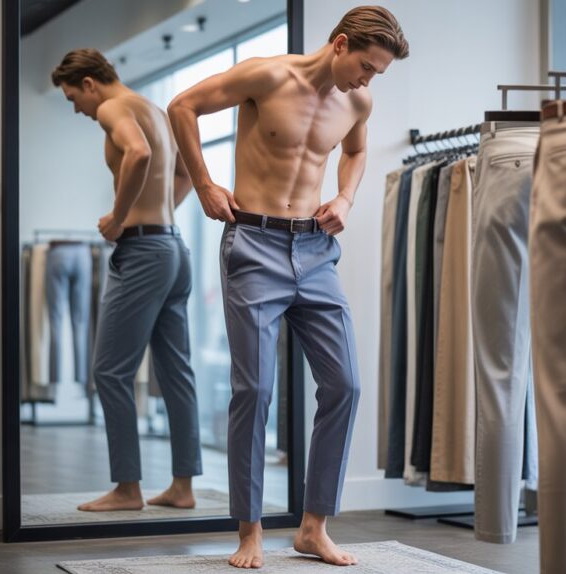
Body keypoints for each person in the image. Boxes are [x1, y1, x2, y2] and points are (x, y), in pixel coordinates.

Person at [168, 6, 409, 568]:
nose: (368, 80)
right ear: (341, 43)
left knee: (345, 384)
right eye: (367, 67)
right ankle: (249, 530)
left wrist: (345, 197)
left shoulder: (357, 101)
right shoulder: (267, 75)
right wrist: (203, 183)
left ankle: (312, 528)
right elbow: (182, 107)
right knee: (255, 391)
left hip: (316, 251)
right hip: (253, 243)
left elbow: (354, 151)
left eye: (377, 73)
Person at [51, 48, 203, 512]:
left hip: (142, 253)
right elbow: (184, 174)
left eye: (73, 97)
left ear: (90, 83)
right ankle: (183, 487)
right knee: (176, 372)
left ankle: (127, 488)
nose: (77, 108)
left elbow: (136, 153)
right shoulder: (155, 110)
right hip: (174, 248)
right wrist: (159, 217)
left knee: (109, 370)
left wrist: (120, 218)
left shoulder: (113, 108)